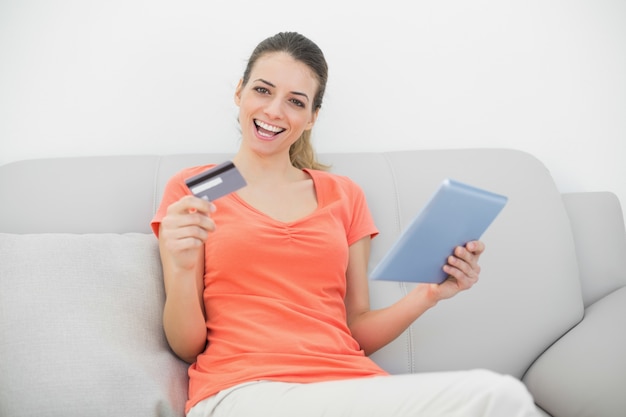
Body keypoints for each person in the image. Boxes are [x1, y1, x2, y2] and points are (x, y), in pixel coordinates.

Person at [151, 31, 540, 417]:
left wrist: (429, 295)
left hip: (348, 383)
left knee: (501, 399)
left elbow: (356, 330)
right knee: (499, 397)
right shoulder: (194, 188)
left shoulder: (343, 194)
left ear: (311, 118)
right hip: (243, 389)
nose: (273, 111)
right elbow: (187, 345)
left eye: (295, 101)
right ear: (240, 93)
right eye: (263, 90)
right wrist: (183, 267)